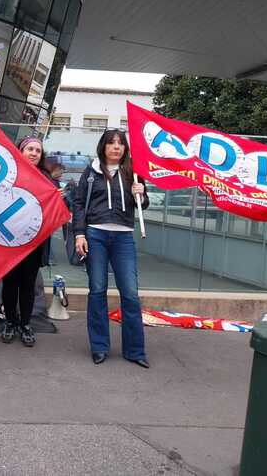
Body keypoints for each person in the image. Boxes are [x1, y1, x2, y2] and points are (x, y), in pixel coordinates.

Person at [72, 129, 150, 368]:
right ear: (103, 147)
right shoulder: (92, 171)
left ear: (125, 148)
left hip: (124, 237)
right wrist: (79, 233)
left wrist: (143, 193)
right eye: (111, 143)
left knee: (130, 294)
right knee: (97, 291)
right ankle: (99, 347)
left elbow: (142, 204)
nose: (116, 147)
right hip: (95, 235)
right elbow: (78, 203)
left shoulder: (132, 173)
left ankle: (135, 351)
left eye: (120, 144)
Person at [0, 136, 52, 347]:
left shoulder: (47, 179)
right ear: (20, 151)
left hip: (34, 241)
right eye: (30, 149)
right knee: (10, 282)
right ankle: (10, 321)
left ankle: (25, 323)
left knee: (28, 284)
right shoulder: (9, 175)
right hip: (9, 238)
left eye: (38, 151)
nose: (33, 153)